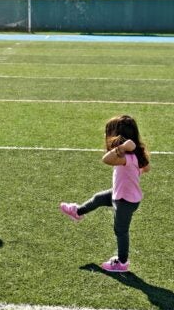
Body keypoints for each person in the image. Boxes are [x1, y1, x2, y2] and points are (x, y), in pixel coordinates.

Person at [60, 115, 151, 273]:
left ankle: (122, 262)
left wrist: (121, 149)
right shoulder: (134, 156)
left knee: (120, 230)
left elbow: (106, 160)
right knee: (99, 198)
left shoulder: (127, 157)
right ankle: (77, 211)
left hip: (125, 201)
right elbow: (146, 168)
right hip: (120, 195)